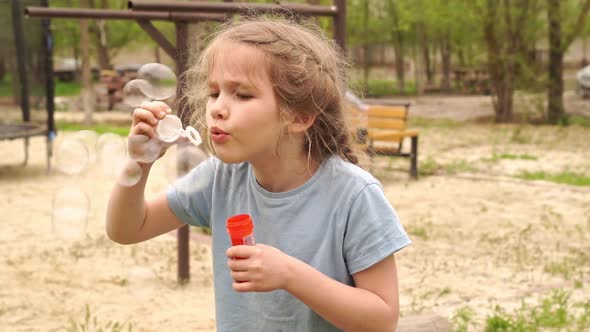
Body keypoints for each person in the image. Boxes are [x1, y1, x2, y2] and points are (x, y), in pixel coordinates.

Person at [106, 17, 411, 332]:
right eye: (214, 93)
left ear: (299, 116)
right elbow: (128, 229)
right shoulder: (222, 178)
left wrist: (290, 275)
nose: (217, 109)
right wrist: (138, 164)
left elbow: (382, 319)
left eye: (242, 95)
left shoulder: (353, 195)